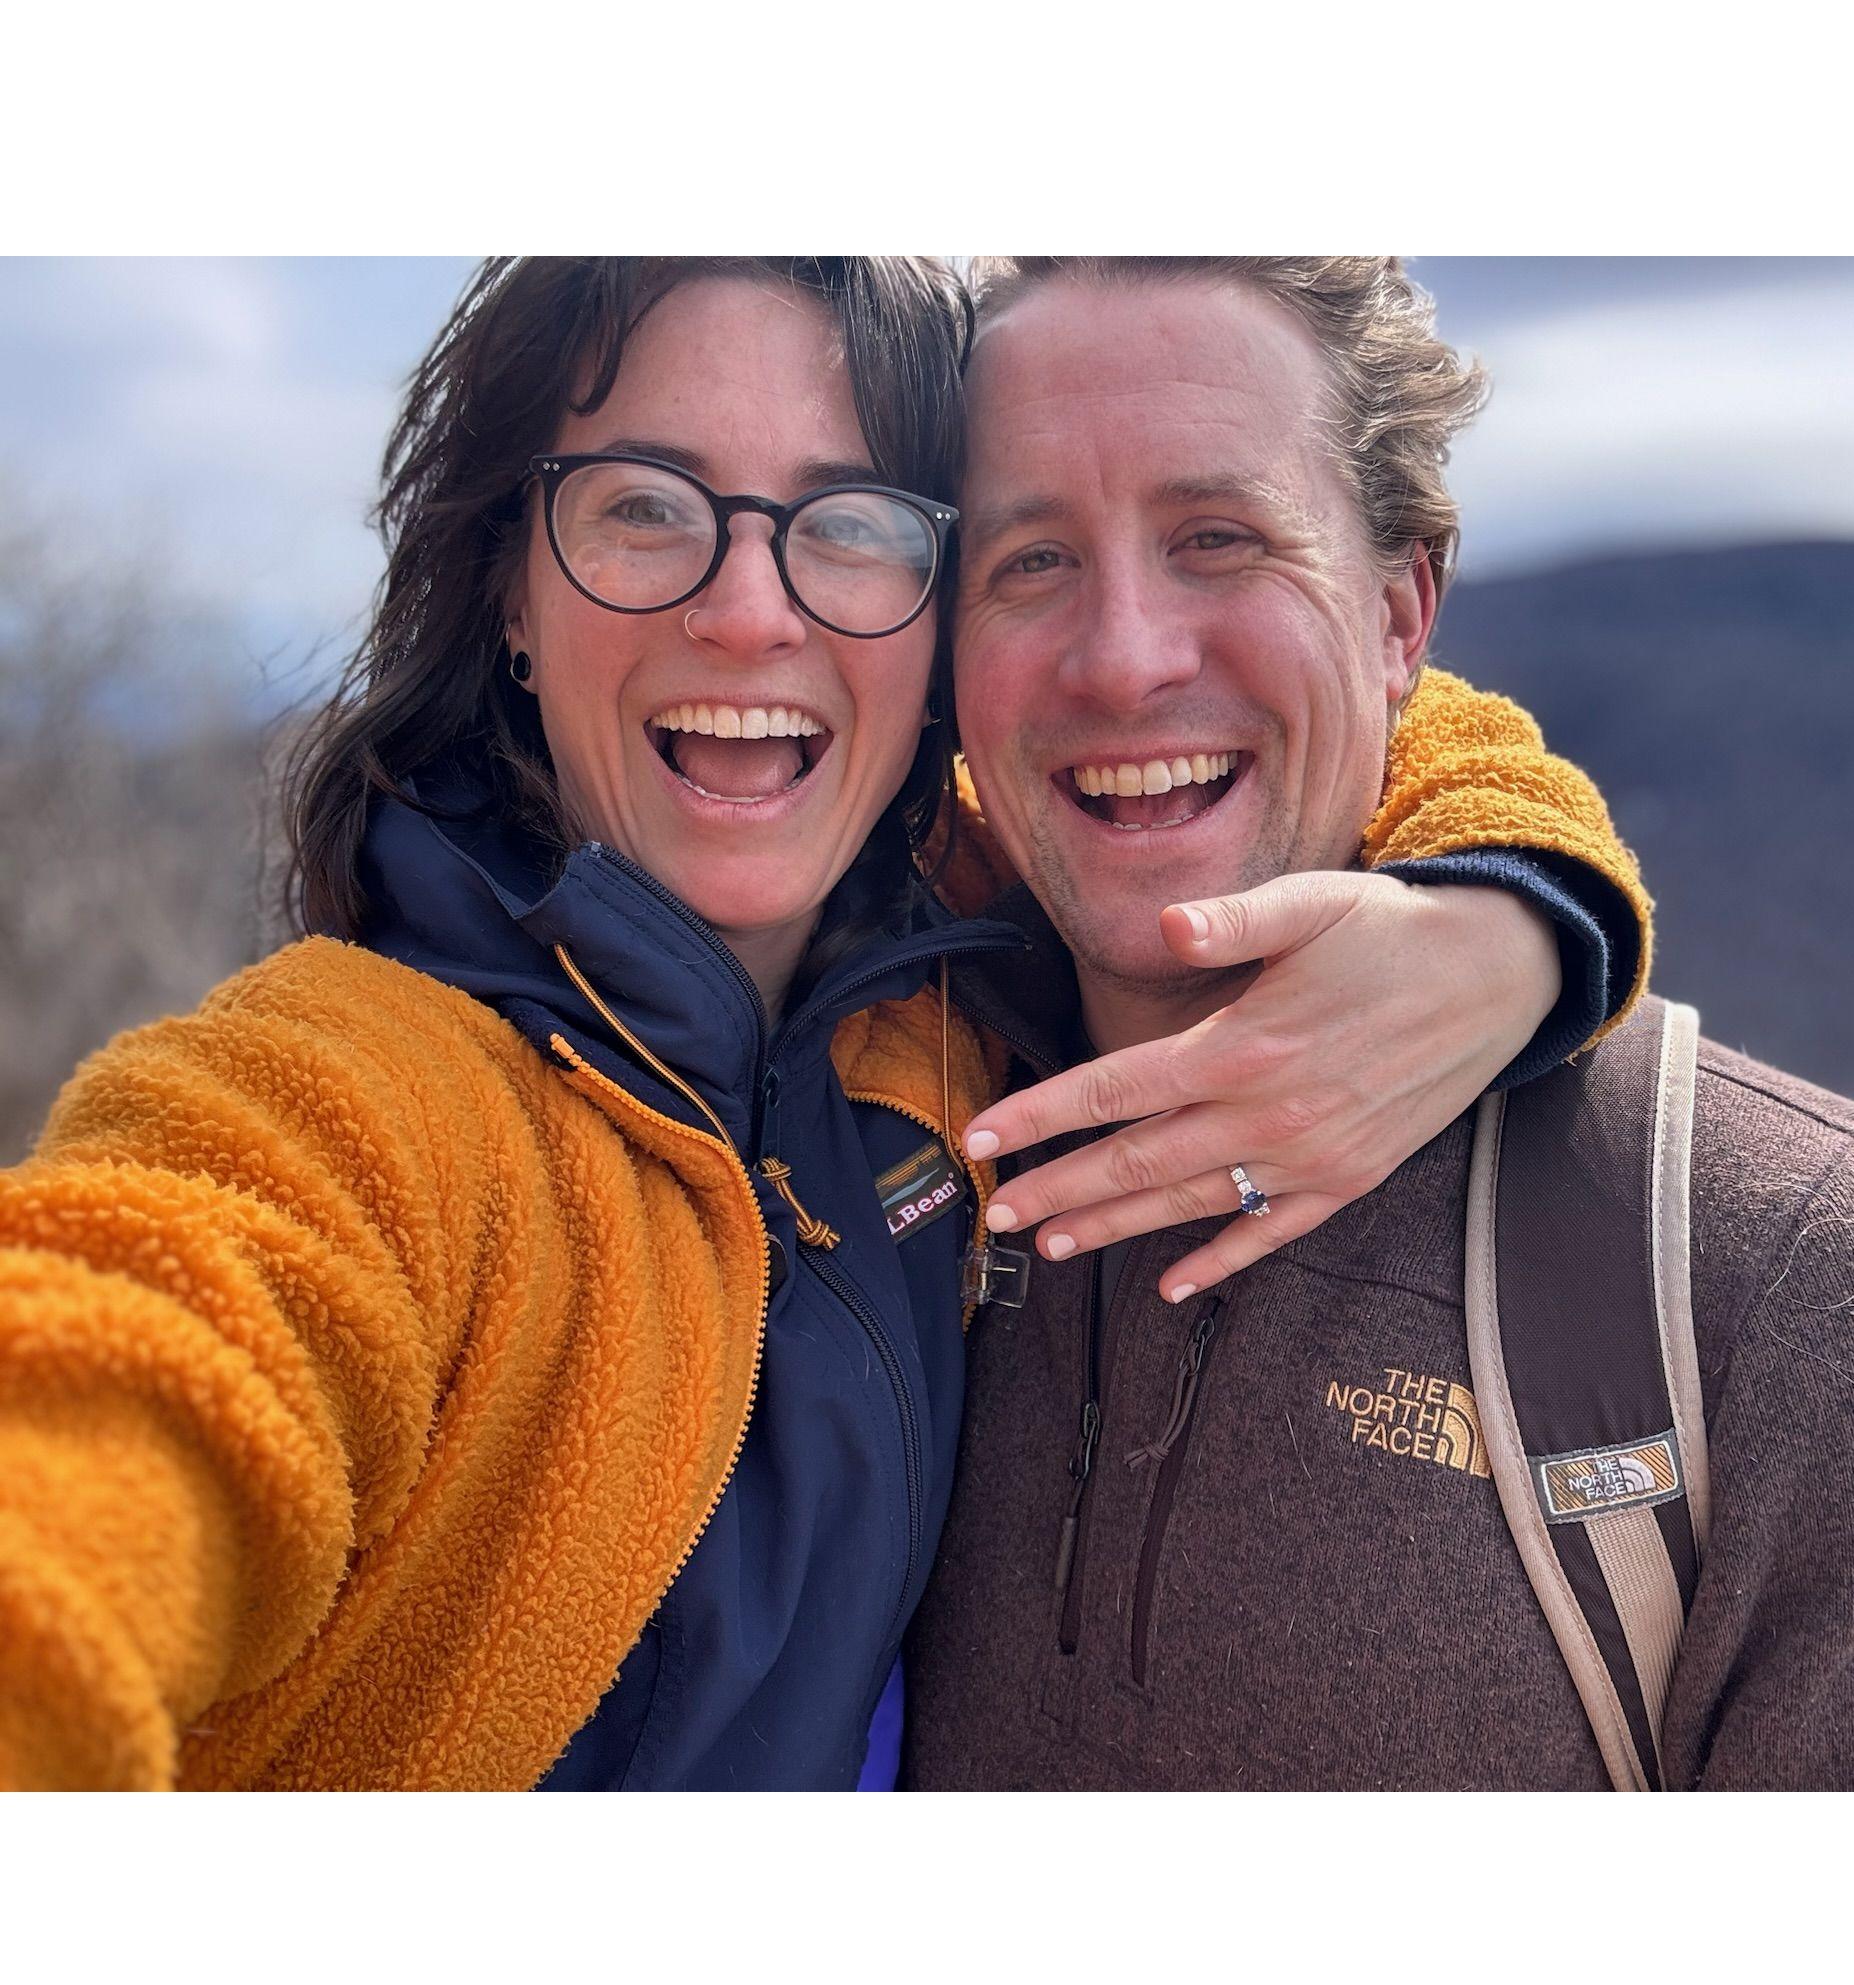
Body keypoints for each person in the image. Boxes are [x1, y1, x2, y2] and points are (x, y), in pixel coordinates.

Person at [0, 257, 1648, 1792]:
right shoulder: (367, 1109)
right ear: (509, 585)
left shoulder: (944, 988)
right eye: (646, 508)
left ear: (935, 627)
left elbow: (1336, 687)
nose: (749, 611)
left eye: (847, 526)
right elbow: (119, 1390)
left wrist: (1500, 914)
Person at [900, 256, 1854, 1791]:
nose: (1124, 657)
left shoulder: (1799, 1287)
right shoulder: (867, 1146)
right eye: (1028, 561)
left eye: (1219, 540)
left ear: (1400, 610)